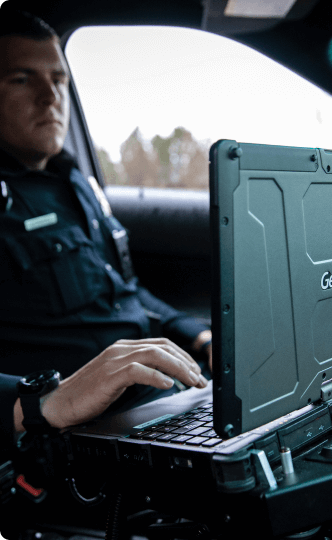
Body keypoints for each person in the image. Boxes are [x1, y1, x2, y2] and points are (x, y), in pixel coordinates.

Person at [0, 9, 212, 407]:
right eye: (22, 79)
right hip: (77, 425)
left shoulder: (74, 182)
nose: (51, 97)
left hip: (158, 393)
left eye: (58, 79)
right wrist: (45, 402)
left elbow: (121, 292)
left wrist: (197, 336)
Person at [0, 337, 208, 451]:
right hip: (97, 422)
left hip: (175, 385)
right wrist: (36, 405)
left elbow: (130, 294)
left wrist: (203, 337)